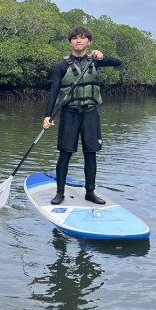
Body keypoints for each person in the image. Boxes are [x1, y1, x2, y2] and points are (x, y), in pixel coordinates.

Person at [43, 26, 121, 205]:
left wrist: (104, 57)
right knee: (65, 154)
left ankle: (90, 192)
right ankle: (60, 192)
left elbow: (118, 63)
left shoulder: (95, 61)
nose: (78, 40)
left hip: (90, 113)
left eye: (82, 37)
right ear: (70, 42)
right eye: (75, 38)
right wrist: (48, 116)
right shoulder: (61, 65)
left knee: (90, 153)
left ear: (89, 42)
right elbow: (54, 92)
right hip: (69, 113)